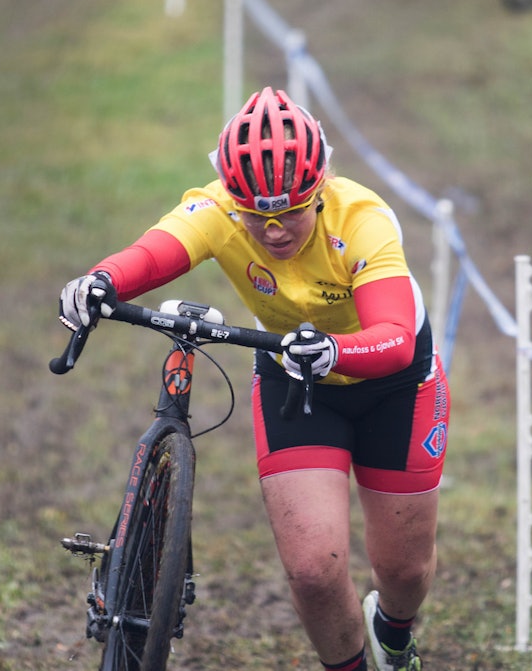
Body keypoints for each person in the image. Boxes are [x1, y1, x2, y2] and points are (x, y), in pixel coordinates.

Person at [59, 87, 449, 671]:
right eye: (255, 215)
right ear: (231, 197)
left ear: (319, 191)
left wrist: (337, 349)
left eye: (289, 211)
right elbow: (155, 252)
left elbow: (393, 333)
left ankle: (393, 631)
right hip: (298, 379)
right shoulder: (217, 209)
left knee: (403, 570)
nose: (271, 231)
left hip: (394, 382)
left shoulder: (361, 219)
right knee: (314, 572)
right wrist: (100, 281)